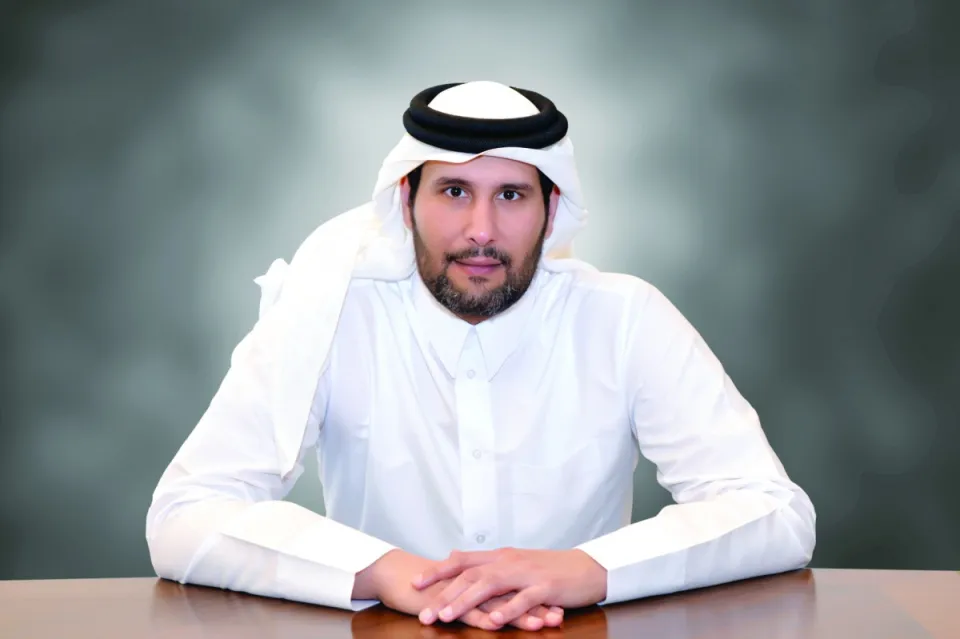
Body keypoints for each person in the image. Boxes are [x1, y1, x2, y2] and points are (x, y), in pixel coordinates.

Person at [145, 81, 816, 632]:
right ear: (407, 200)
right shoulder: (333, 313)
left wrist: (587, 569)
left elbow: (774, 513)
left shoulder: (625, 320)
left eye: (511, 195)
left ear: (552, 209)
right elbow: (185, 512)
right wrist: (386, 572)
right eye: (455, 191)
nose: (481, 231)